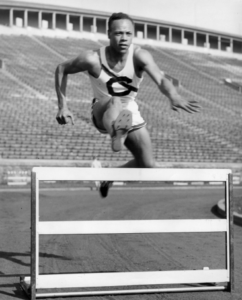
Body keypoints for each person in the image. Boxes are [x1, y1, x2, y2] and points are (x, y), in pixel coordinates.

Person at [55, 12, 200, 198]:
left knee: (147, 165)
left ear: (133, 34)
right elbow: (61, 68)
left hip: (129, 111)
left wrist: (173, 95)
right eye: (118, 33)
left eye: (128, 34)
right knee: (115, 100)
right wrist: (62, 106)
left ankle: (108, 176)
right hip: (102, 110)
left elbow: (160, 79)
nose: (124, 38)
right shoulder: (92, 59)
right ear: (108, 34)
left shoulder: (140, 56)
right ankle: (116, 132)